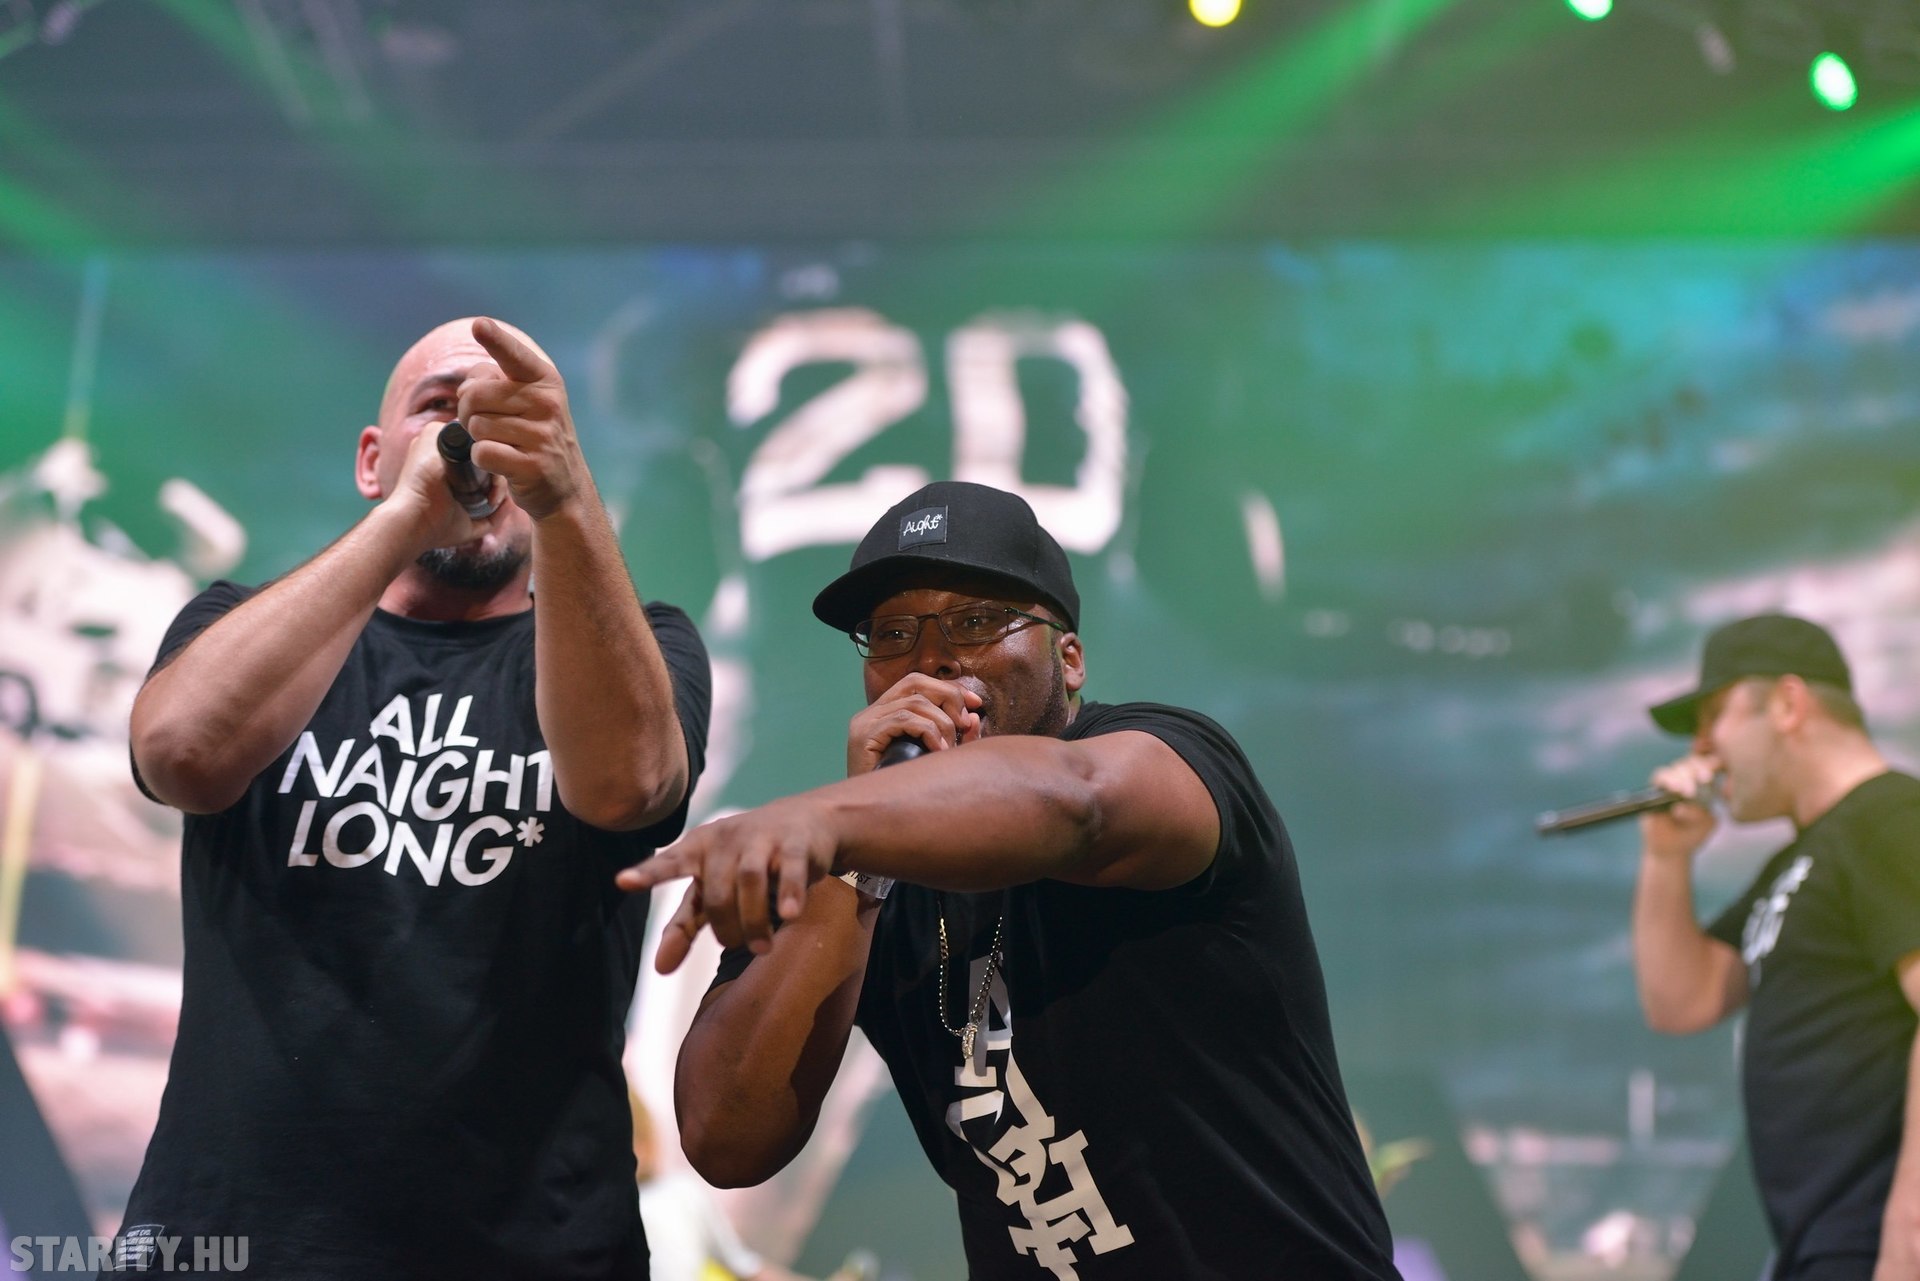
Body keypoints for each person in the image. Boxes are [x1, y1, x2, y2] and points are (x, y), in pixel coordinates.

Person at [620, 480, 1400, 1279]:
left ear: (1070, 657)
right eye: (892, 634)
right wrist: (852, 866)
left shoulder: (1168, 754)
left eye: (976, 622)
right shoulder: (856, 865)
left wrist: (835, 818)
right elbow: (725, 1138)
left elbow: (1080, 803)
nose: (931, 659)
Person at [118, 317, 711, 1279]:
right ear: (371, 458)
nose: (475, 438)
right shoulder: (239, 623)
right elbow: (180, 753)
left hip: (533, 1251)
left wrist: (562, 497)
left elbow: (628, 786)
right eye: (441, 408)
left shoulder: (648, 645)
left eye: (512, 420)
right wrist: (410, 512)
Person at [1633, 614, 1920, 1281]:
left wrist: (1908, 1238)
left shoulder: (1890, 819)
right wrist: (1667, 857)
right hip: (1820, 1243)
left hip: (1872, 1242)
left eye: (1714, 715)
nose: (1702, 748)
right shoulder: (1805, 857)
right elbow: (1683, 1001)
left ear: (1789, 704)